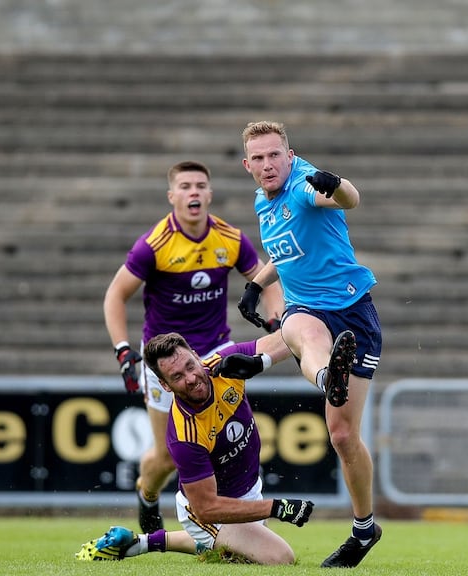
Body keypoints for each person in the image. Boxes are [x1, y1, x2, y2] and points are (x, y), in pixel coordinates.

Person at [103, 160, 288, 534]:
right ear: (172, 196)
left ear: (209, 194)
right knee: (169, 457)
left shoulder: (229, 238)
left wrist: (276, 320)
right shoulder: (154, 245)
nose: (194, 192)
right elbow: (114, 296)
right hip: (166, 363)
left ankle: (224, 521)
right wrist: (124, 351)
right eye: (185, 186)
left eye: (200, 186)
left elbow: (267, 280)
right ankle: (148, 494)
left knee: (227, 440)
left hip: (215, 352)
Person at [238, 120, 384, 568]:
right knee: (301, 327)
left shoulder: (303, 182)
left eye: (274, 155)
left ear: (289, 153)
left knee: (343, 436)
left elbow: (350, 200)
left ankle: (364, 529)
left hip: (354, 313)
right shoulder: (264, 198)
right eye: (258, 158)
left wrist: (338, 183)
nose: (267, 165)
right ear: (247, 165)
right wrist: (257, 283)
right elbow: (287, 253)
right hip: (306, 310)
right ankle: (326, 375)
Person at [76, 332, 313, 564]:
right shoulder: (184, 435)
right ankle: (199, 538)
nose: (190, 378)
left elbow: (290, 337)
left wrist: (261, 361)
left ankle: (140, 543)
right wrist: (277, 508)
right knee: (279, 557)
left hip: (248, 491)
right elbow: (207, 509)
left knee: (236, 551)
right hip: (209, 511)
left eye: (190, 366)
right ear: (165, 385)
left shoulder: (226, 365)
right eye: (177, 376)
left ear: (197, 355)